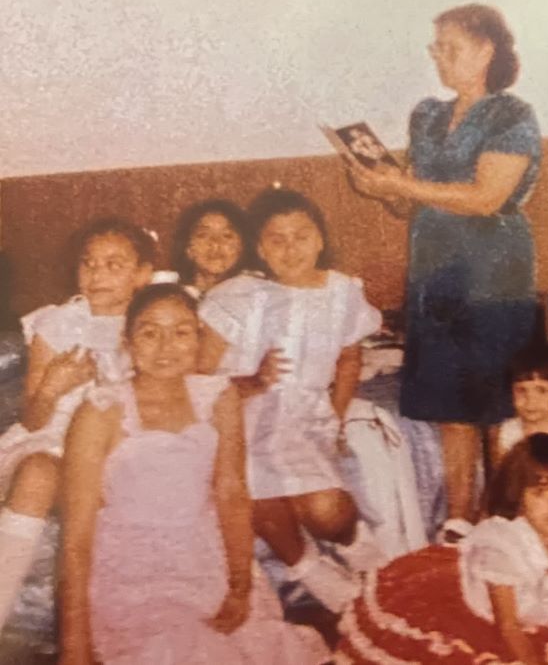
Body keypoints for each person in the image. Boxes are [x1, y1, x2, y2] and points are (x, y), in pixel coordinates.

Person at [348, 3, 542, 542]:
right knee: (452, 406)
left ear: (486, 51)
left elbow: (485, 198)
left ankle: (505, 522)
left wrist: (401, 186)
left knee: (496, 402)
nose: (438, 57)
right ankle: (460, 519)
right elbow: (409, 202)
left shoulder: (511, 116)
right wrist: (378, 186)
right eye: (435, 47)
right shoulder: (427, 115)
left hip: (492, 275)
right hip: (435, 273)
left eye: (449, 47)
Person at [59, 283, 329, 664]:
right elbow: (77, 532)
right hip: (131, 569)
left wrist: (239, 585)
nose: (165, 346)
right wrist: (74, 647)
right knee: (175, 647)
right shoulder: (101, 410)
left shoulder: (218, 397)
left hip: (205, 558)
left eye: (181, 332)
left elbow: (232, 493)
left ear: (200, 340)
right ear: (128, 341)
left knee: (245, 644)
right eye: (150, 332)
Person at [198, 187, 383, 613]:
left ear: (320, 238)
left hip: (305, 413)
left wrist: (335, 420)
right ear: (260, 248)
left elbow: (350, 360)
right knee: (254, 493)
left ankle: (361, 551)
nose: (290, 248)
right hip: (240, 412)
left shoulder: (342, 291)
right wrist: (249, 381)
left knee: (326, 510)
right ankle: (316, 575)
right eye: (276, 240)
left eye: (301, 235)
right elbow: (202, 372)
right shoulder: (239, 295)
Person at [335, 433, 548, 664]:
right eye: (540, 492)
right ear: (519, 497)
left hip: (527, 614)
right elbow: (508, 625)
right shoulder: (503, 548)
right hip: (476, 611)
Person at [0, 218, 154, 629]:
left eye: (113, 264)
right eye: (88, 263)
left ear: (142, 275)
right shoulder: (57, 323)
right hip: (52, 437)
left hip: (116, 445)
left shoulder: (150, 327)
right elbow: (33, 419)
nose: (97, 274)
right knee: (37, 473)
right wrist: (51, 388)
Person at [491, 344, 548, 469]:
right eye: (521, 390)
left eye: (542, 390)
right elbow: (503, 478)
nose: (530, 401)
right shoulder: (508, 432)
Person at [171, 198, 251, 296]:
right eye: (203, 235)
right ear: (188, 248)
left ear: (241, 247)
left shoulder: (255, 295)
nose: (215, 243)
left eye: (227, 235)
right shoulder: (173, 297)